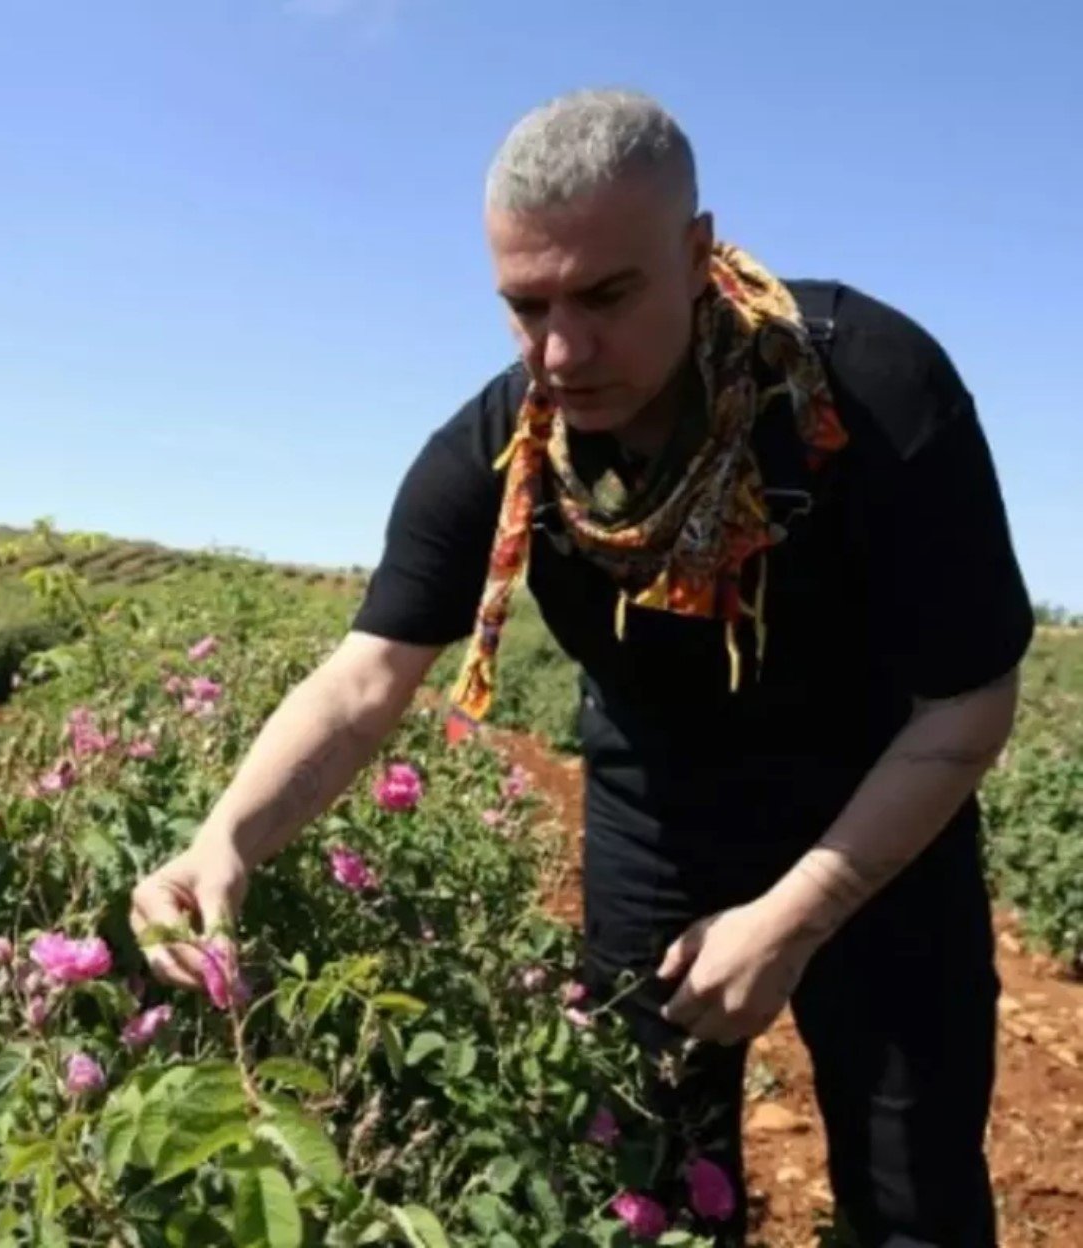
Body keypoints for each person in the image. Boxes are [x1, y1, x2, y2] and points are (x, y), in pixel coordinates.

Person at [127, 88, 1032, 1246]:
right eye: (525, 306)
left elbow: (966, 703)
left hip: (882, 821)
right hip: (659, 824)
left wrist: (799, 914)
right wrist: (223, 839)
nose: (562, 351)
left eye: (606, 295)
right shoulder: (505, 445)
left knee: (914, 1201)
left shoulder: (866, 392)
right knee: (649, 1183)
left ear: (696, 252)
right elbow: (365, 679)